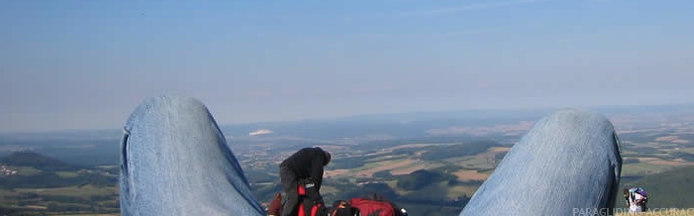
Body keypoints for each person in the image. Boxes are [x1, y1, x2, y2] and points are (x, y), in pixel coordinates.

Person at [119, 95, 622, 216]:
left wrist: (303, 200)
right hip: (305, 192)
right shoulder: (320, 168)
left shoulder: (311, 171)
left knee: (170, 114)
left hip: (299, 194)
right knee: (577, 130)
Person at [279, 147, 332, 216]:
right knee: (293, 196)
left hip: (291, 170)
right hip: (288, 171)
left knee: (297, 196)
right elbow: (317, 176)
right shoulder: (319, 156)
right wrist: (315, 194)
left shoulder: (313, 153)